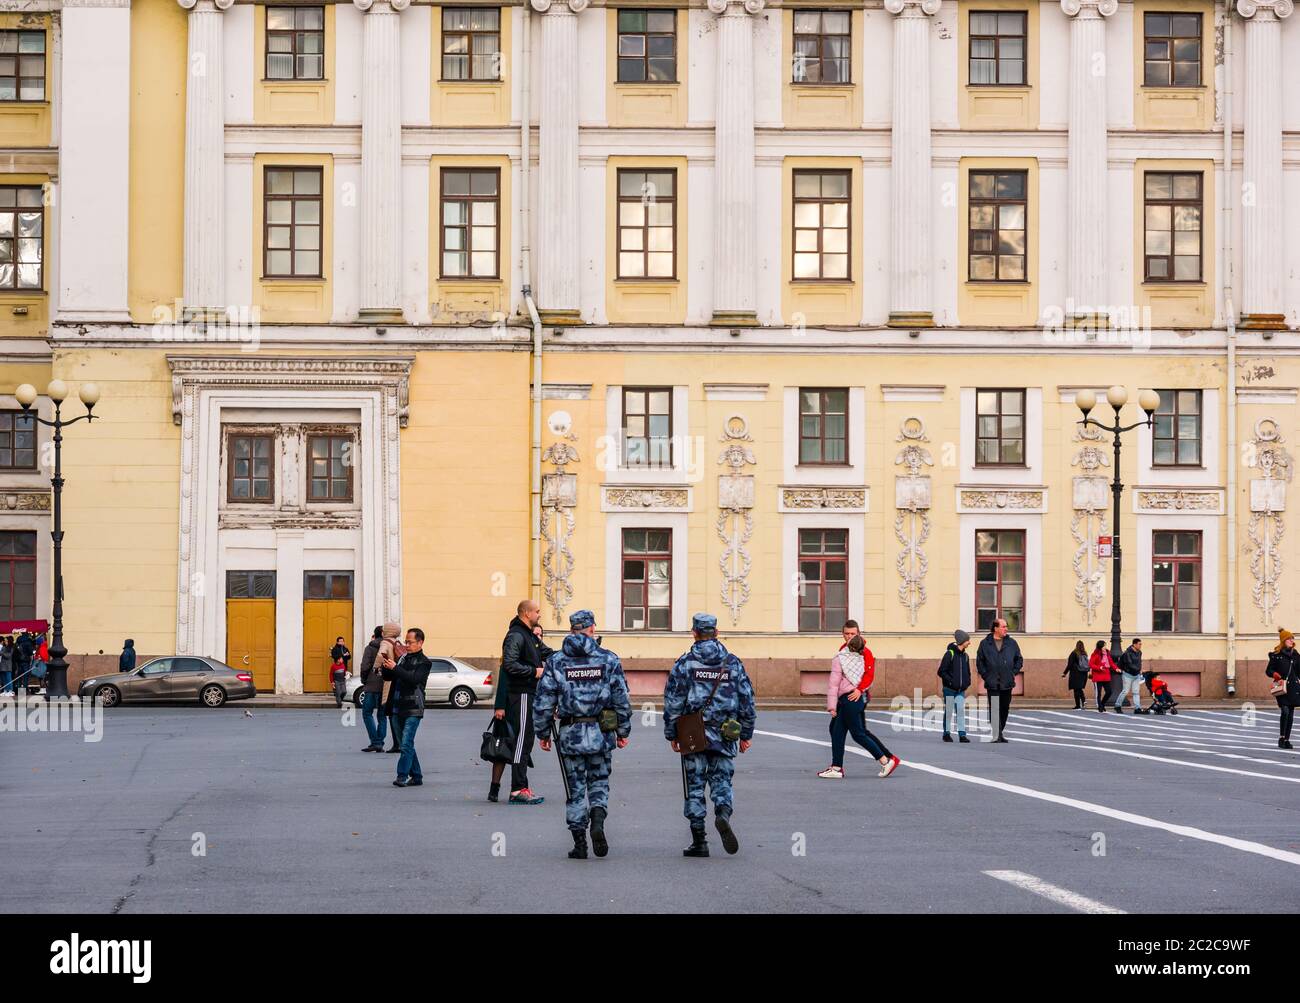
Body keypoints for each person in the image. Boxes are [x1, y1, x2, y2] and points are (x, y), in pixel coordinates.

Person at [533, 610, 632, 859]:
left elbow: (544, 701)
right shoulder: (608, 659)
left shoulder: (557, 661)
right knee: (598, 783)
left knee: (575, 789)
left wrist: (542, 732)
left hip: (570, 734)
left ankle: (580, 844)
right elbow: (622, 699)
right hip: (601, 732)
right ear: (592, 629)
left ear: (571, 630)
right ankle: (597, 820)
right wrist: (623, 730)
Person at [663, 613, 756, 858]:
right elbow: (747, 699)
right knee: (722, 781)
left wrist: (672, 733)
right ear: (716, 632)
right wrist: (746, 733)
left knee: (694, 786)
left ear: (694, 632)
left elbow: (673, 700)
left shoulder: (685, 663)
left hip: (692, 732)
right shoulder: (732, 662)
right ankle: (723, 814)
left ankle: (699, 841)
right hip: (725, 732)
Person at [817, 634, 900, 777]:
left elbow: (833, 684)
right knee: (838, 732)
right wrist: (860, 691)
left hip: (847, 699)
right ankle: (836, 768)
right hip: (856, 698)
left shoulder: (840, 659)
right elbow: (868, 677)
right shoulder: (862, 659)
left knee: (858, 734)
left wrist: (832, 706)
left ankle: (885, 761)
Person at [499, 599, 554, 805]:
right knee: (522, 741)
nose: (539, 615)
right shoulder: (516, 635)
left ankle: (521, 787)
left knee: (527, 740)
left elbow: (548, 653)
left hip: (529, 693)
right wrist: (534, 671)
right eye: (537, 612)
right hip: (521, 694)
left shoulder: (530, 635)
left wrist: (574, 652)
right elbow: (510, 664)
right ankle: (517, 789)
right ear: (526, 613)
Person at [383, 627, 432, 787]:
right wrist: (386, 667)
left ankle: (402, 776)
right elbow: (392, 677)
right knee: (407, 743)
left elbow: (413, 679)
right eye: (406, 641)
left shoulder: (425, 662)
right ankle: (417, 776)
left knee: (405, 744)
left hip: (413, 707)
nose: (407, 645)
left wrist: (395, 668)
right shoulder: (403, 658)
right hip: (397, 706)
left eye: (410, 642)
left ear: (420, 642)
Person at [976, 618, 1021, 742]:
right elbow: (980, 662)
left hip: (1007, 681)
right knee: (995, 708)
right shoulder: (985, 643)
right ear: (995, 628)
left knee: (1005, 708)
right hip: (992, 682)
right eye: (1003, 626)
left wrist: (1013, 672)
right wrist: (986, 675)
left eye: (1006, 626)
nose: (1006, 629)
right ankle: (997, 734)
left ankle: (1000, 731)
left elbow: (1019, 659)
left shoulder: (1011, 643)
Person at [1267, 628, 1300, 750]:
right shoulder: (1276, 656)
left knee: (1290, 714)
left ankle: (1287, 739)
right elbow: (1268, 671)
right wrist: (1275, 674)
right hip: (1282, 687)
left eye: (1292, 638)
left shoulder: (1295, 655)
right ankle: (1281, 738)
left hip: (1294, 687)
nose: (1292, 640)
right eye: (1290, 638)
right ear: (1284, 640)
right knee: (1285, 711)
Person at [938, 629, 973, 742]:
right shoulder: (950, 654)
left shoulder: (965, 656)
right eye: (968, 640)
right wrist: (951, 682)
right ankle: (946, 734)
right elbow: (941, 671)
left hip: (960, 690)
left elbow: (967, 672)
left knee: (960, 712)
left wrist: (967, 683)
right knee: (949, 711)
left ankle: (962, 735)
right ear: (962, 641)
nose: (969, 643)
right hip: (949, 689)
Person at [377, 623, 406, 753]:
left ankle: (397, 744)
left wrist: (377, 668)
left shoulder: (385, 643)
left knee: (390, 713)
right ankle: (399, 742)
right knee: (396, 713)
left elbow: (380, 655)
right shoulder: (397, 642)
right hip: (399, 677)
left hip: (389, 680)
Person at [358, 627, 386, 751]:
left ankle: (375, 741)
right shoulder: (389, 647)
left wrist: (364, 680)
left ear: (374, 635)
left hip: (371, 685)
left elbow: (365, 666)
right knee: (382, 715)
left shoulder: (370, 648)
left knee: (367, 713)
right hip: (385, 686)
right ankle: (380, 741)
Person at [1114, 638, 1148, 714]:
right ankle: (1117, 706)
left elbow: (1139, 662)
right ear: (1134, 644)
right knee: (1125, 691)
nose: (1140, 646)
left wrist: (1139, 670)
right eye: (1139, 644)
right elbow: (1129, 664)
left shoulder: (1139, 652)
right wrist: (1138, 670)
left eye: (1141, 644)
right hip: (1127, 675)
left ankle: (1137, 708)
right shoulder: (1127, 653)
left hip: (1136, 675)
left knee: (1136, 692)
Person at [1089, 640, 1118, 712]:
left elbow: (1111, 663)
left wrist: (1116, 668)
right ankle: (1099, 706)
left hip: (1106, 675)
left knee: (1109, 692)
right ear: (1100, 647)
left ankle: (1102, 703)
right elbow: (1091, 664)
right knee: (1098, 693)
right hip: (1098, 676)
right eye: (1104, 646)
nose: (1105, 647)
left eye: (1105, 645)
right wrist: (1099, 667)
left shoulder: (1107, 653)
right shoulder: (1095, 654)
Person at [1062, 640, 1089, 710]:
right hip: (1083, 673)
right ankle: (1083, 701)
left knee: (1076, 690)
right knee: (1079, 689)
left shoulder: (1074, 653)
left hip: (1076, 674)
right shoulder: (1084, 653)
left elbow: (1070, 664)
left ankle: (1078, 705)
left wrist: (1064, 673)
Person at [329, 635, 351, 708]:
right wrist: (343, 655)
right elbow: (334, 655)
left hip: (343, 667)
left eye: (343, 641)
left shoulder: (345, 648)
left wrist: (347, 655)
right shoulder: (335, 649)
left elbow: (349, 657)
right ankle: (338, 700)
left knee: (343, 690)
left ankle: (339, 697)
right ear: (337, 642)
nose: (342, 642)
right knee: (338, 689)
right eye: (340, 641)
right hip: (337, 668)